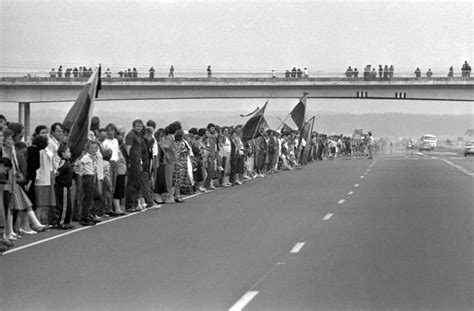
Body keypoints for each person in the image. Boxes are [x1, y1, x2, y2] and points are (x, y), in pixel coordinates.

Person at [76, 141, 102, 226]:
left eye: (95, 148)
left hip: (92, 177)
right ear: (87, 149)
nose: (94, 150)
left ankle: (90, 214)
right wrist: (80, 172)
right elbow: (77, 165)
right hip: (87, 178)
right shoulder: (85, 157)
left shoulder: (94, 157)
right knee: (87, 199)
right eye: (92, 148)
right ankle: (84, 218)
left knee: (98, 197)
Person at [51, 144, 74, 229]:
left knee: (68, 204)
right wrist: (59, 178)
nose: (70, 153)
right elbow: (58, 171)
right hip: (63, 186)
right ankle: (61, 222)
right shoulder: (63, 162)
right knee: (64, 205)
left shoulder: (67, 162)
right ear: (63, 153)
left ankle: (67, 221)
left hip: (67, 186)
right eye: (68, 151)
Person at [125, 119, 145, 211]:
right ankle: (129, 205)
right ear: (133, 126)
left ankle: (135, 203)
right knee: (131, 183)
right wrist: (130, 160)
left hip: (137, 161)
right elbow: (128, 148)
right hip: (133, 162)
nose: (139, 128)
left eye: (141, 126)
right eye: (137, 126)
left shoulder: (138, 135)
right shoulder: (131, 135)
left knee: (136, 183)